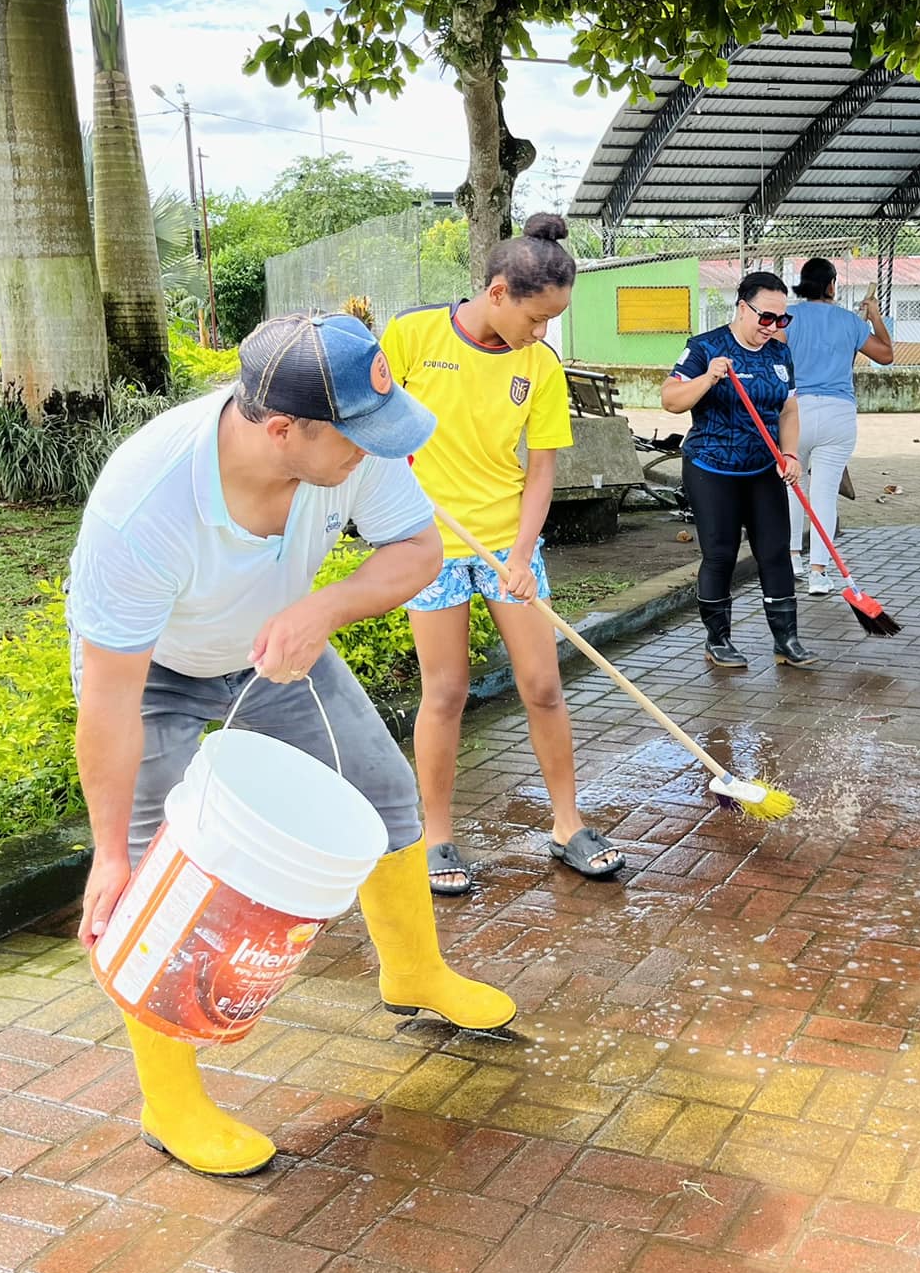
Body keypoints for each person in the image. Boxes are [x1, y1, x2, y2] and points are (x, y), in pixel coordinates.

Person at [67, 313, 516, 1178]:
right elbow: (111, 698)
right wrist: (109, 856)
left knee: (384, 795)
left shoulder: (353, 445)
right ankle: (172, 1101)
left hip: (275, 648)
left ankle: (415, 972)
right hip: (152, 673)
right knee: (155, 877)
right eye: (359, 438)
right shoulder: (147, 505)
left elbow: (418, 549)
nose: (378, 450)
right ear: (283, 430)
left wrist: (324, 609)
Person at [383, 212, 624, 898]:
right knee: (446, 692)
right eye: (536, 318)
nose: (541, 333)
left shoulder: (538, 365)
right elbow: (371, 427)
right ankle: (435, 835)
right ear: (497, 293)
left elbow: (541, 469)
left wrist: (521, 554)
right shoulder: (412, 335)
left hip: (505, 541)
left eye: (552, 322)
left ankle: (567, 824)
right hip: (429, 542)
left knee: (543, 685)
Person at [662, 271, 817, 670]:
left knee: (775, 551)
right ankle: (718, 640)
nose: (773, 327)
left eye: (782, 319)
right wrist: (708, 377)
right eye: (766, 317)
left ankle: (786, 640)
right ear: (742, 308)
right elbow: (671, 399)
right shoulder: (704, 347)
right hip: (711, 468)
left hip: (763, 467)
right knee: (720, 554)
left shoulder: (778, 354)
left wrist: (790, 454)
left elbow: (788, 410)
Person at [785, 257, 894, 595]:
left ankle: (792, 559)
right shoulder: (849, 321)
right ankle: (818, 573)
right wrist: (875, 317)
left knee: (792, 487)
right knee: (824, 495)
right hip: (838, 414)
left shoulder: (787, 318)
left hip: (795, 411)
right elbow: (886, 355)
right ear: (831, 285)